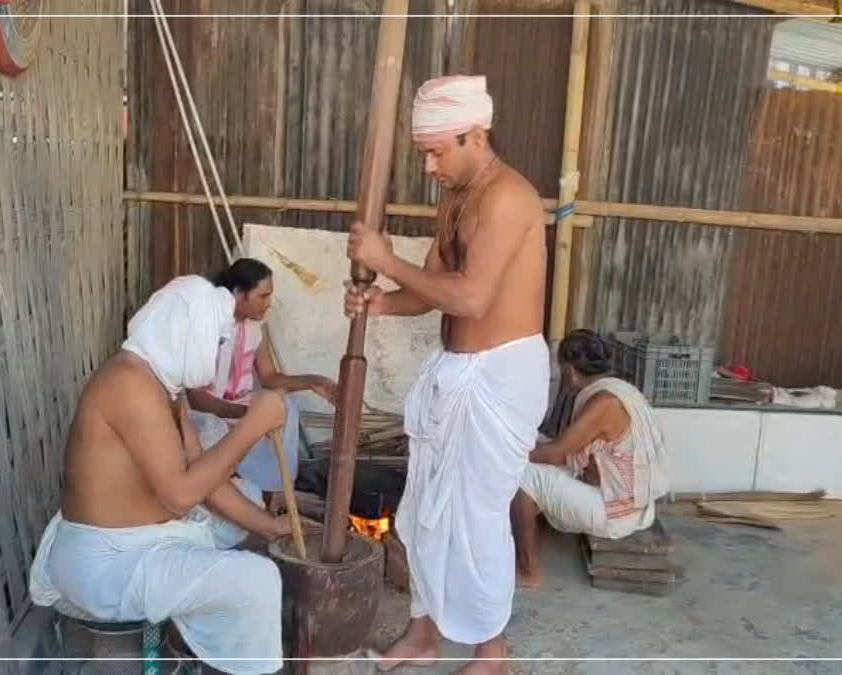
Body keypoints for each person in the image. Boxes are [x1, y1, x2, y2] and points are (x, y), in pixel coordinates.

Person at [344, 74, 549, 674]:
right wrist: (380, 301)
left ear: (475, 135)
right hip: (454, 371)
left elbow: (470, 298)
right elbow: (432, 293)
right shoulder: (457, 196)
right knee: (423, 512)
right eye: (423, 153)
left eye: (438, 151)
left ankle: (493, 652)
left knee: (476, 519)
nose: (430, 166)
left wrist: (386, 260)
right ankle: (423, 634)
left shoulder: (508, 197)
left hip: (500, 376)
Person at [27, 275, 291, 675]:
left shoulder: (161, 384)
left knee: (246, 508)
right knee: (258, 581)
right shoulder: (129, 385)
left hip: (142, 541)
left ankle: (192, 643)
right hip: (108, 562)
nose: (219, 350)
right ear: (186, 332)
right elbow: (181, 496)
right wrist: (252, 426)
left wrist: (273, 528)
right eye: (216, 339)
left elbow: (203, 477)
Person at [512, 329, 670, 589]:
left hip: (619, 513)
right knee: (536, 451)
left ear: (570, 372)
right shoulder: (621, 390)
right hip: (634, 501)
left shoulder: (603, 403)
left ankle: (529, 572)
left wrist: (506, 453)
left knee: (522, 475)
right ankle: (531, 532)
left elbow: (557, 453)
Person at [186, 257, 339, 504]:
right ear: (238, 293)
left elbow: (269, 377)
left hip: (240, 406)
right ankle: (240, 496)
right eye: (262, 296)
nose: (268, 304)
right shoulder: (209, 325)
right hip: (207, 411)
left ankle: (276, 491)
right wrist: (242, 413)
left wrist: (312, 381)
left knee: (285, 406)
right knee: (215, 429)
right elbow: (194, 395)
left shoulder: (257, 328)